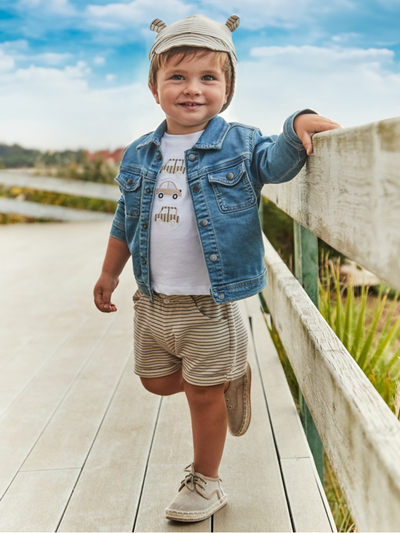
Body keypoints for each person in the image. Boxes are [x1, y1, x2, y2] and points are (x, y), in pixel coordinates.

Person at [93, 14, 341, 523]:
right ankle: (230, 374)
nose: (192, 89)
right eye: (177, 77)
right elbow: (126, 216)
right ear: (154, 87)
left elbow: (275, 163)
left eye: (209, 77)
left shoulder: (240, 143)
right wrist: (109, 272)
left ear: (227, 88)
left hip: (211, 301)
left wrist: (297, 124)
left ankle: (205, 481)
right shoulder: (141, 152)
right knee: (157, 382)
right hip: (154, 299)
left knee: (202, 396)